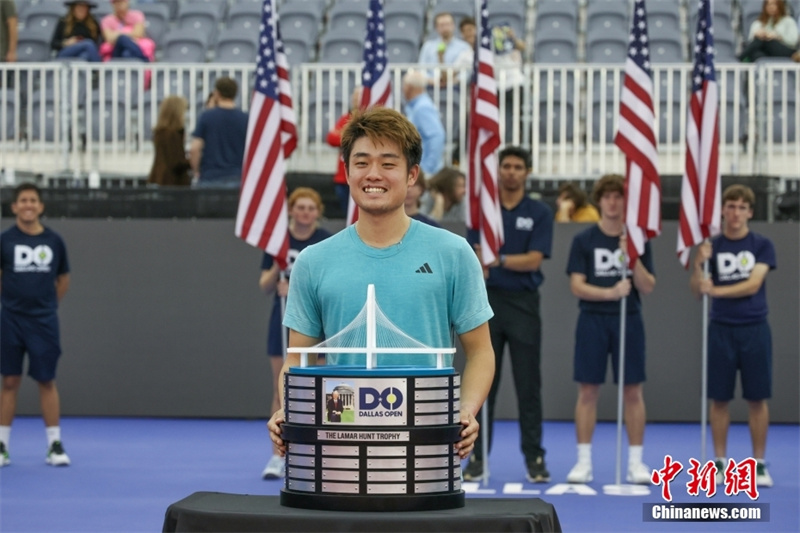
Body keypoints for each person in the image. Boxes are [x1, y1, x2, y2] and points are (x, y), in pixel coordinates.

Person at [267, 107, 495, 463]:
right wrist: (290, 409)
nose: (374, 174)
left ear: (411, 175)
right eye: (362, 162)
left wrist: (465, 410)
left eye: (388, 163)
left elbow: (481, 351)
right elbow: (297, 360)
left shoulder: (453, 252)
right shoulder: (313, 261)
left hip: (427, 452)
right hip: (340, 451)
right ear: (347, 171)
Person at [464, 146, 554, 483]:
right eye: (507, 166)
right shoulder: (483, 211)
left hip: (524, 304)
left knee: (528, 385)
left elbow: (533, 259)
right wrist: (490, 259)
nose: (512, 172)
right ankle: (476, 460)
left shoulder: (539, 212)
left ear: (527, 172)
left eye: (518, 167)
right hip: (487, 303)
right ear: (498, 171)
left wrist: (497, 259)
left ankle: (535, 459)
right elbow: (475, 257)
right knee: (485, 384)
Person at [564, 174, 656, 484]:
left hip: (628, 318)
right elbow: (576, 286)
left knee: (633, 390)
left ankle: (636, 463)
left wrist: (632, 256)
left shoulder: (637, 240)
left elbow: (648, 285)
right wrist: (609, 293)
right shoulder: (584, 240)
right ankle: (583, 462)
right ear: (599, 201)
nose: (613, 202)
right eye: (608, 197)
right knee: (588, 390)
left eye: (619, 197)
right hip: (592, 319)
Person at [689, 184, 776, 488]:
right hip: (721, 329)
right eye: (731, 206)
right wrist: (699, 265)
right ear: (723, 210)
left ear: (750, 212)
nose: (736, 212)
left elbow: (753, 284)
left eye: (742, 207)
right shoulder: (711, 247)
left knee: (757, 398)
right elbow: (698, 291)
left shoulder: (761, 245)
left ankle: (758, 464)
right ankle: (720, 462)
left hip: (754, 328)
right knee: (719, 398)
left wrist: (717, 290)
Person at [259, 187, 332, 479]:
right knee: (283, 387)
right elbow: (263, 284)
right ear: (291, 210)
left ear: (318, 211)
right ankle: (279, 455)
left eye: (310, 208)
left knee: (325, 390)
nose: (305, 213)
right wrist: (277, 274)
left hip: (318, 324)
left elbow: (330, 283)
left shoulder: (325, 241)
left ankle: (325, 449)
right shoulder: (278, 242)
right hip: (284, 320)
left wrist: (299, 289)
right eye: (300, 207)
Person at [0, 183, 71, 468]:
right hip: (10, 320)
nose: (28, 205)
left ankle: (54, 445)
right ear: (15, 207)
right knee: (9, 381)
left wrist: (46, 306)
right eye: (23, 200)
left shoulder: (55, 241)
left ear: (40, 207)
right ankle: (2, 446)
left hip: (44, 321)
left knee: (46, 380)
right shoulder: (4, 241)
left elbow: (63, 279)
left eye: (33, 200)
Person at [189, 77, 249, 188]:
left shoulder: (206, 117)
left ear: (217, 93)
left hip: (210, 177)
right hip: (238, 177)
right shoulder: (246, 118)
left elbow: (194, 148)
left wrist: (196, 170)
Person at [402, 69, 445, 177]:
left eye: (404, 86)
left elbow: (437, 136)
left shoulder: (422, 107)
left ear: (409, 87)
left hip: (426, 172)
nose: (403, 89)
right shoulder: (417, 106)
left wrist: (427, 169)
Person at [327, 86, 363, 214]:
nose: (356, 100)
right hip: (343, 177)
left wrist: (345, 135)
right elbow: (331, 138)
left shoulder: (372, 120)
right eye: (354, 97)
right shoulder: (346, 118)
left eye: (359, 96)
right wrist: (355, 136)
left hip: (362, 177)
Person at [418, 12, 471, 86]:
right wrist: (432, 81)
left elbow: (466, 72)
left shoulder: (464, 47)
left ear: (453, 26)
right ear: (436, 28)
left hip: (455, 87)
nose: (445, 28)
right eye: (441, 25)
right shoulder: (428, 46)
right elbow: (421, 69)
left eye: (448, 24)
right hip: (430, 86)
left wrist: (452, 82)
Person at [147, 95, 191, 186]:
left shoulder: (160, 132)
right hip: (172, 182)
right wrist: (194, 161)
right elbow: (176, 163)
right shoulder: (172, 134)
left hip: (160, 178)